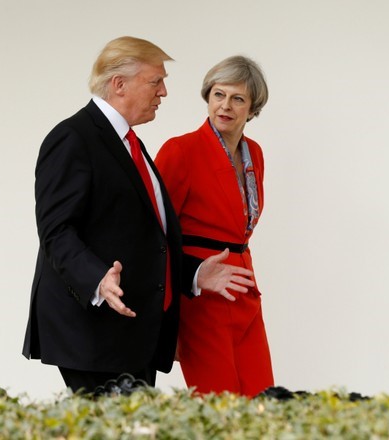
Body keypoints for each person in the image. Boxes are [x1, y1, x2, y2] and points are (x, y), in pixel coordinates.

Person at [22, 37, 252, 394]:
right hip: (93, 334)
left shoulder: (130, 143)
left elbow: (148, 238)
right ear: (119, 85)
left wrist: (194, 274)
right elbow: (55, 231)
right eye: (155, 82)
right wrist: (97, 278)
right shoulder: (73, 137)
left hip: (132, 333)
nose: (163, 92)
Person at [155, 55, 274, 397]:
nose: (225, 106)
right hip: (201, 299)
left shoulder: (256, 153)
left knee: (263, 402)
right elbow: (157, 236)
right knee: (218, 406)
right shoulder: (180, 150)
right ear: (207, 97)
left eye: (238, 99)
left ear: (252, 109)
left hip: (245, 294)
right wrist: (168, 320)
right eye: (218, 95)